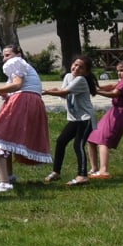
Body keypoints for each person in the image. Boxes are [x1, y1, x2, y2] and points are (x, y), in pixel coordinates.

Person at [0, 45, 51, 192]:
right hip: (32, 101)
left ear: (18, 54)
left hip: (23, 101)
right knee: (7, 141)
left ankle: (4, 182)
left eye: (8, 55)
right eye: (4, 56)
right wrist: (5, 94)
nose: (5, 59)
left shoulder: (16, 63)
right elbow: (17, 86)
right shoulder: (24, 66)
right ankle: (8, 176)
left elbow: (18, 85)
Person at [79, 60, 123, 183]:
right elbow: (112, 86)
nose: (119, 73)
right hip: (113, 112)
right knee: (92, 138)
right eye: (117, 71)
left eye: (122, 70)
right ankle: (94, 169)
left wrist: (96, 91)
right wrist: (95, 86)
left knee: (103, 140)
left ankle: (104, 170)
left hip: (118, 114)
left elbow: (114, 93)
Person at [41, 56, 98, 184]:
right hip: (74, 118)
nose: (76, 68)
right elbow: (61, 91)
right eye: (75, 64)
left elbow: (65, 92)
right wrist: (46, 91)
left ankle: (83, 176)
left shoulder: (81, 80)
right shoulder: (68, 76)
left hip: (85, 118)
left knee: (78, 145)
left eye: (81, 67)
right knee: (61, 141)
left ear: (86, 72)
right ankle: (56, 172)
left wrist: (47, 92)